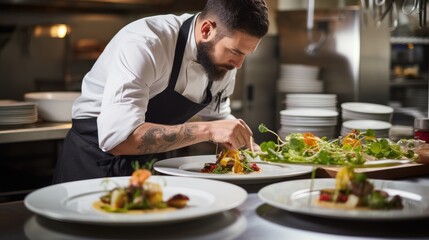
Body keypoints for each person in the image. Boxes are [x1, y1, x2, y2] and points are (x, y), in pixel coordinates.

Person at [53, 0, 269, 183]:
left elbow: (218, 117)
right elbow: (118, 139)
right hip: (93, 163)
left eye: (246, 54)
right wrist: (208, 130)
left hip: (151, 166)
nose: (239, 64)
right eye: (235, 51)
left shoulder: (225, 64)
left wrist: (246, 146)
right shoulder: (146, 42)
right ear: (206, 30)